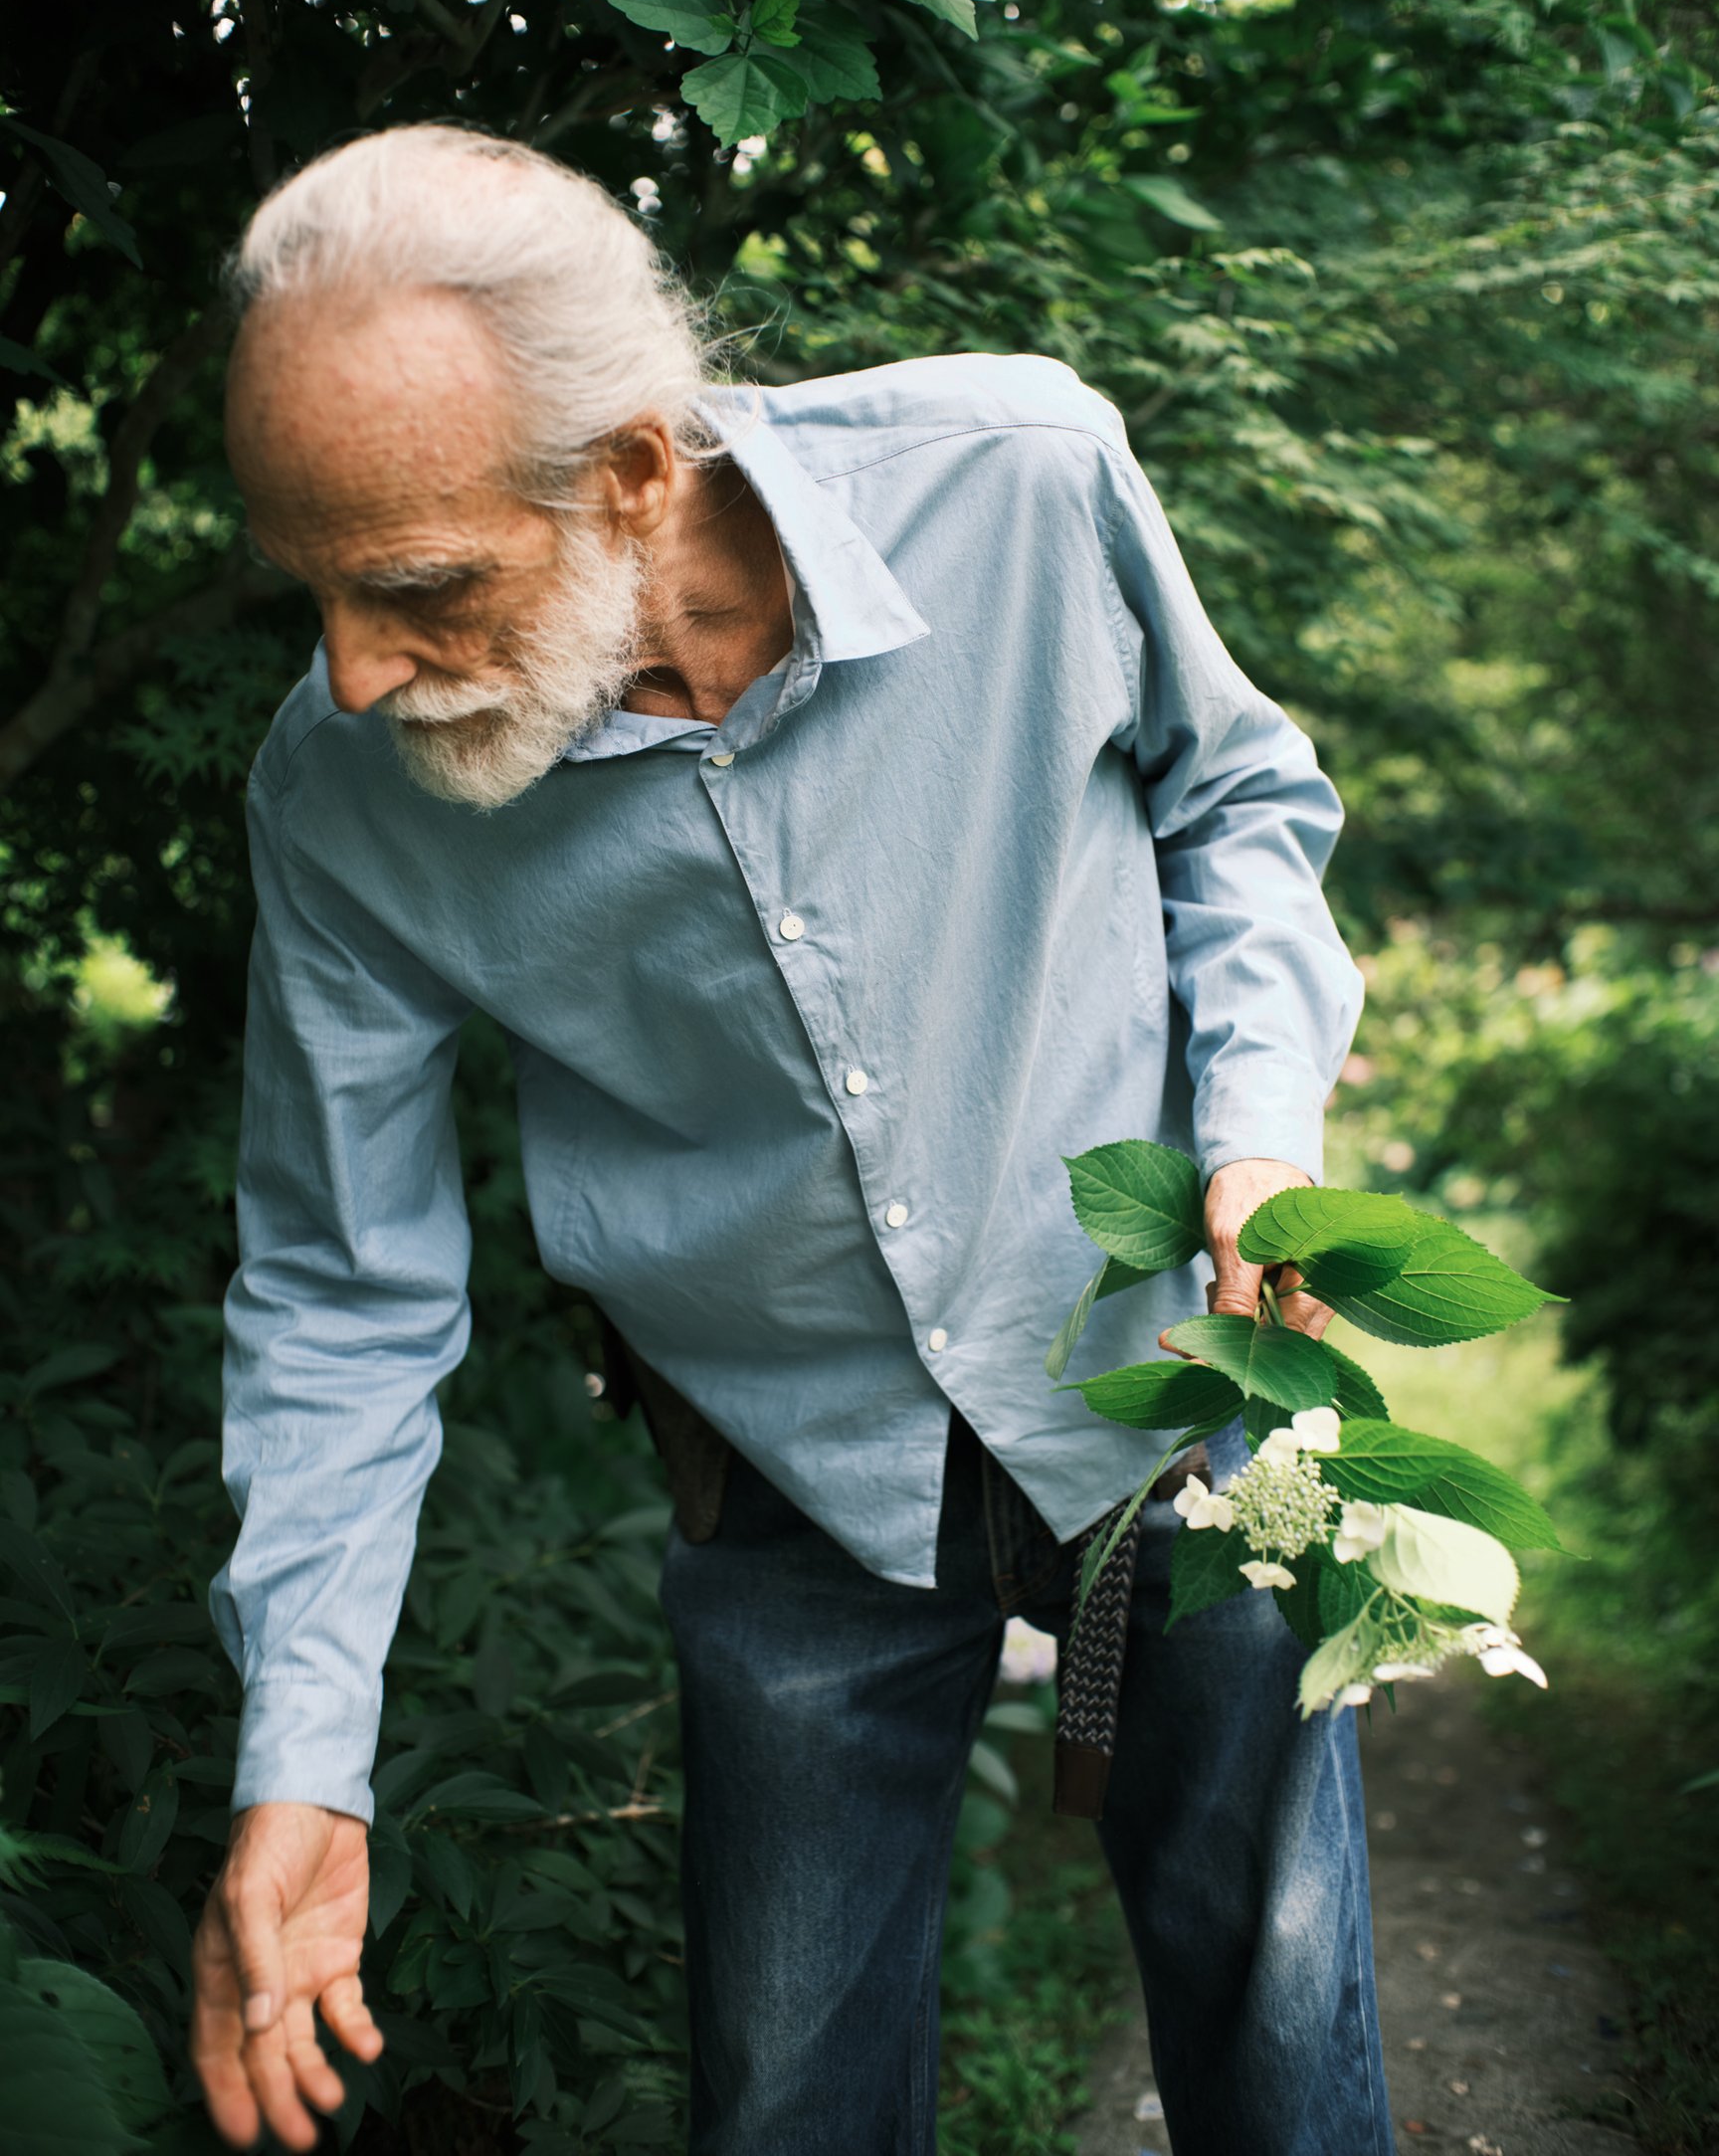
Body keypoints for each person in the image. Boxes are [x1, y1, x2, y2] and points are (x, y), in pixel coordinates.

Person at [191, 122, 1390, 2156]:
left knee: (1285, 2046)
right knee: (786, 2108)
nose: (352, 671)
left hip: (1186, 1397)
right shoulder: (339, 793)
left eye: (415, 589)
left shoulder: (1016, 480)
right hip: (787, 1490)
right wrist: (305, 1762)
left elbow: (1239, 808)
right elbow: (334, 1286)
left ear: (637, 476)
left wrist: (1263, 1133)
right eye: (311, 590)